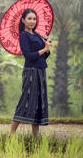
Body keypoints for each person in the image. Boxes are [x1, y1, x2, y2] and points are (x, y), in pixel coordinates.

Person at [9, 8, 52, 137]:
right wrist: (44, 49)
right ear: (23, 20)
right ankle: (11, 134)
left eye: (34, 19)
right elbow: (28, 55)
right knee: (26, 99)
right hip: (31, 72)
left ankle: (35, 136)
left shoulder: (38, 35)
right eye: (29, 19)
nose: (32, 21)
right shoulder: (24, 35)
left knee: (38, 102)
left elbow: (43, 57)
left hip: (41, 71)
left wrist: (47, 45)